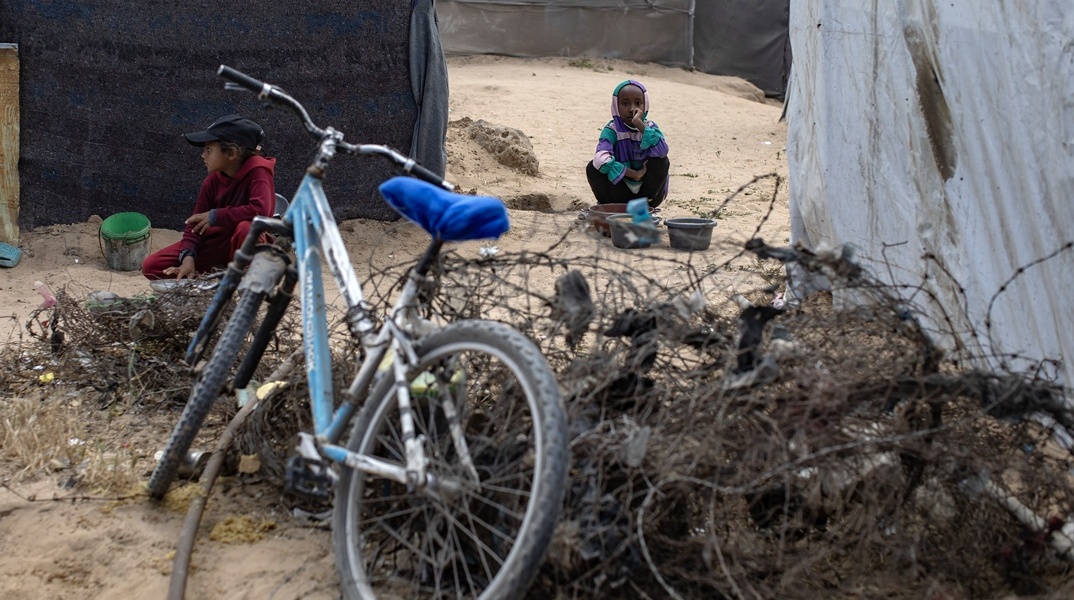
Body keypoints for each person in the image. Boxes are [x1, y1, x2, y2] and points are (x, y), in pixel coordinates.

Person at [141, 114, 276, 280]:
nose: (203, 155)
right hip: (218, 244)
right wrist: (188, 257)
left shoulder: (259, 171)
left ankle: (246, 284)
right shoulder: (212, 180)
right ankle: (218, 274)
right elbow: (195, 223)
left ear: (231, 153)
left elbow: (260, 211)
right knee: (151, 266)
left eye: (209, 150)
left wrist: (215, 216)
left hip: (248, 246)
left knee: (246, 229)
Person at [585, 79, 670, 209]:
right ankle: (610, 207)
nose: (632, 109)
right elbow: (600, 160)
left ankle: (646, 207)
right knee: (592, 168)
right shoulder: (612, 130)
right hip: (620, 189)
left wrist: (640, 125)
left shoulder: (650, 127)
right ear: (616, 106)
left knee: (662, 161)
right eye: (625, 103)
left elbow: (662, 150)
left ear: (645, 106)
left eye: (638, 103)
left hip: (647, 194)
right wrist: (633, 174)